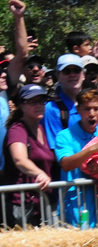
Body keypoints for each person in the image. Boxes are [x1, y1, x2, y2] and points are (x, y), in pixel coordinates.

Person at [54, 89, 98, 227]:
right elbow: (66, 164)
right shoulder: (64, 136)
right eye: (87, 109)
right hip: (75, 203)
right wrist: (92, 149)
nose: (92, 114)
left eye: (96, 109)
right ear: (78, 109)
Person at [2, 84, 59, 227]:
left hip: (42, 202)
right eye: (33, 102)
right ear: (22, 105)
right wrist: (39, 173)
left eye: (41, 101)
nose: (39, 105)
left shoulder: (41, 128)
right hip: (21, 205)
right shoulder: (18, 129)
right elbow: (20, 159)